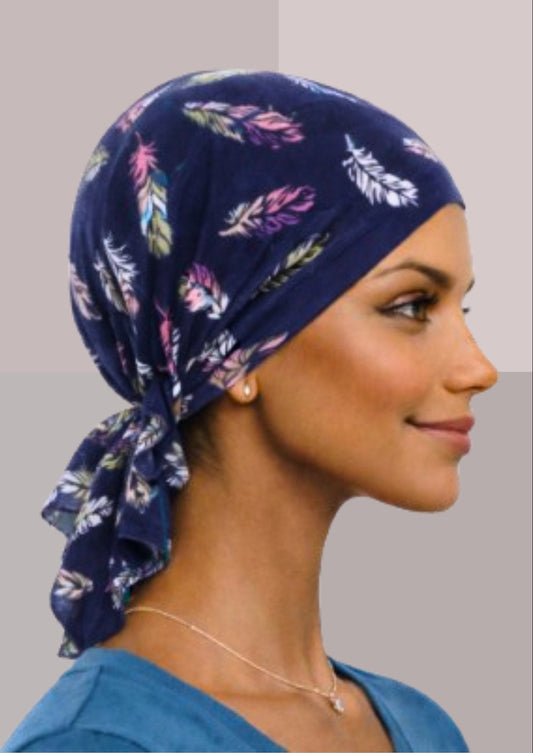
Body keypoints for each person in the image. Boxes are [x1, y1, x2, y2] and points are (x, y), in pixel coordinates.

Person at [2, 69, 497, 753]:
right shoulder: (98, 743)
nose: (479, 368)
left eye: (462, 308)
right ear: (235, 352)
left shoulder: (423, 729)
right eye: (411, 306)